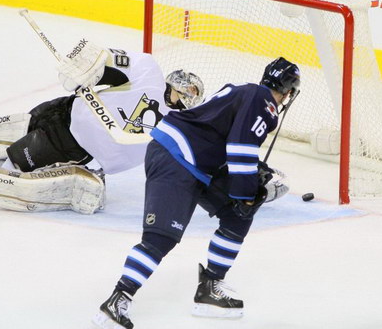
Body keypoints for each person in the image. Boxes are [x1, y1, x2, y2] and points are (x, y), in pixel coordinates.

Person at [92, 57, 300, 328]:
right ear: (288, 91)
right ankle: (117, 301)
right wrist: (247, 191)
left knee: (238, 215)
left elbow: (219, 137)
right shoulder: (263, 103)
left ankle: (210, 289)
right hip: (175, 156)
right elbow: (239, 148)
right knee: (161, 238)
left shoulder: (243, 91)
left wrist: (248, 191)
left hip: (197, 161)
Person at [0, 40, 204, 214]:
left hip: (72, 145)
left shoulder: (177, 128)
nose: (186, 90)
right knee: (0, 134)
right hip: (65, 109)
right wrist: (84, 68)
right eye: (187, 86)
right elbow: (104, 57)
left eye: (192, 92)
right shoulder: (148, 71)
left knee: (17, 159)